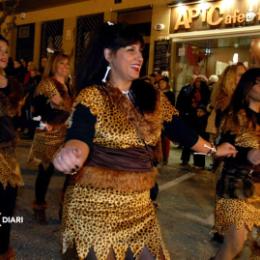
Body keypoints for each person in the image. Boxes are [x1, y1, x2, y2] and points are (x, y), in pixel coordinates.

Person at [53, 22, 237, 260]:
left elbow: (182, 132)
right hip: (96, 208)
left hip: (141, 206)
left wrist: (214, 149)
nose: (139, 57)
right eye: (130, 50)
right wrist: (72, 151)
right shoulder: (93, 95)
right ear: (109, 55)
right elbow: (80, 133)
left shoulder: (153, 96)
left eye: (140, 51)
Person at [212, 68, 260, 260]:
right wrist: (249, 154)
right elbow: (223, 149)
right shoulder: (235, 115)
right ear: (248, 87)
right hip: (237, 185)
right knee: (235, 243)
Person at [28, 51, 73, 224]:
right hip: (49, 133)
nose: (65, 67)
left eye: (67, 64)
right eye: (61, 63)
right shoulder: (47, 84)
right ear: (54, 65)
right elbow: (36, 109)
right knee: (46, 172)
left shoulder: (70, 85)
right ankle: (39, 205)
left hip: (66, 133)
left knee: (71, 171)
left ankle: (65, 206)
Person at [0, 35, 24, 259]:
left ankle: (3, 248)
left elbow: (17, 119)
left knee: (7, 208)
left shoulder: (14, 85)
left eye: (6, 50)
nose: (3, 55)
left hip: (8, 153)